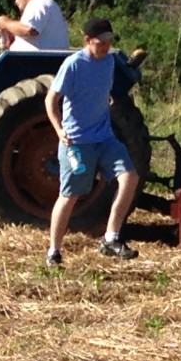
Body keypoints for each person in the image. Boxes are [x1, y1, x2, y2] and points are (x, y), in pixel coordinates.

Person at [43, 18, 139, 267]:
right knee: (70, 195)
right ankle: (54, 251)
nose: (106, 46)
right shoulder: (73, 65)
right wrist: (59, 130)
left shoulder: (109, 61)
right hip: (77, 141)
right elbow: (51, 100)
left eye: (109, 41)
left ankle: (111, 238)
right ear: (87, 40)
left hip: (104, 137)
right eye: (101, 42)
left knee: (130, 177)